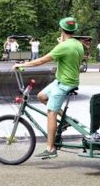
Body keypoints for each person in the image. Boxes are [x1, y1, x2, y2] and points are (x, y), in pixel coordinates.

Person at [12, 17, 84, 159]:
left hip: (64, 84)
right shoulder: (77, 44)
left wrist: (21, 65)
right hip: (65, 81)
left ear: (62, 30)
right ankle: (64, 119)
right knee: (41, 96)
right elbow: (68, 52)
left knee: (51, 113)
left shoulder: (63, 46)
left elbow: (41, 60)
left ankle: (50, 148)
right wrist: (62, 42)